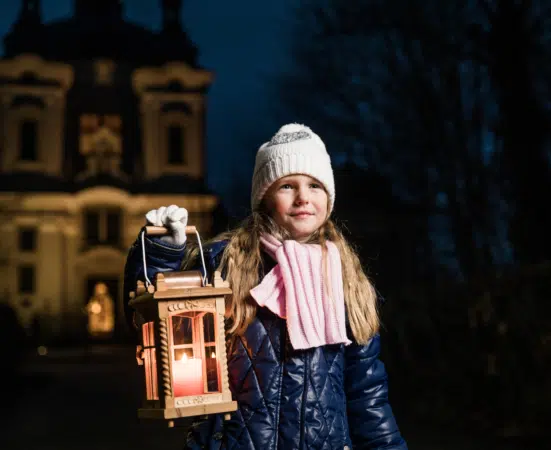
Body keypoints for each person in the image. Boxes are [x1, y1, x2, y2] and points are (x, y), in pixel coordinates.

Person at [123, 123, 408, 449]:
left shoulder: (346, 280)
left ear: (328, 198)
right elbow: (150, 323)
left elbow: (366, 395)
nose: (303, 197)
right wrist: (162, 251)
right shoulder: (224, 262)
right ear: (265, 197)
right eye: (287, 185)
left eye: (315, 185)